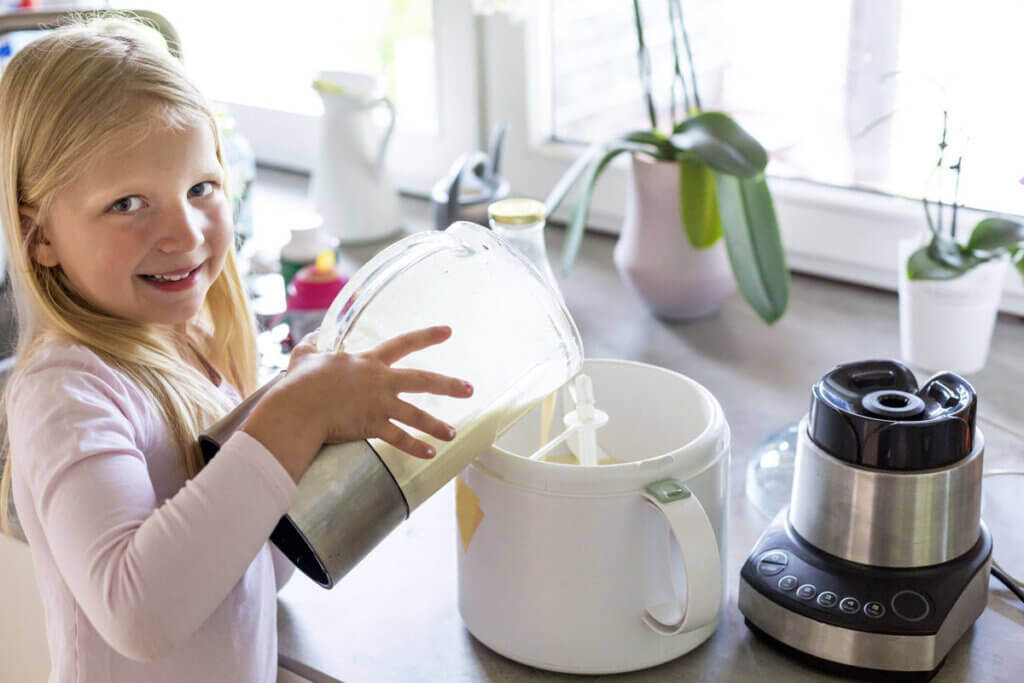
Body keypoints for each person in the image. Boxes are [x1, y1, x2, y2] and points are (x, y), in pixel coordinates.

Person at [0, 16, 472, 683]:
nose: (183, 230)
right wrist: (292, 418)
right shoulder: (65, 392)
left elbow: (242, 570)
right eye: (129, 202)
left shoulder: (187, 349)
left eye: (200, 188)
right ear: (38, 235)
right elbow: (142, 611)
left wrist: (299, 421)